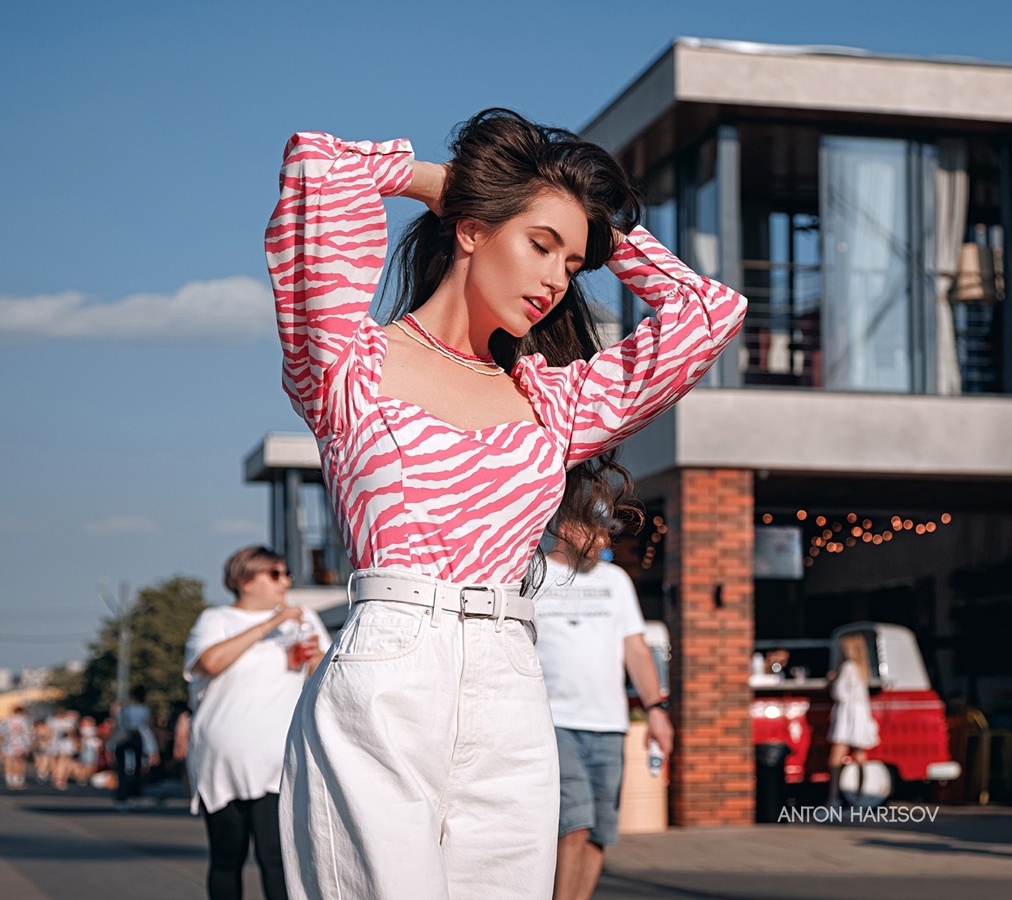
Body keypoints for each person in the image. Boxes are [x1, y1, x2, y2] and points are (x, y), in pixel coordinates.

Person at [269, 108, 745, 900]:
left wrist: (590, 228)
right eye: (540, 245)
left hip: (512, 681)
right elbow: (322, 168)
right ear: (472, 231)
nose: (559, 278)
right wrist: (458, 189)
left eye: (575, 262)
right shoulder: (350, 363)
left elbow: (707, 314)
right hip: (389, 671)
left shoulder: (554, 402)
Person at [533, 511, 673, 900]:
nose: (603, 538)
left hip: (609, 726)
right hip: (552, 721)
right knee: (572, 825)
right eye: (593, 528)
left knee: (598, 833)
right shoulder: (532, 575)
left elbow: (636, 649)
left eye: (606, 530)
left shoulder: (615, 581)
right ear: (564, 526)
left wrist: (657, 710)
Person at [186, 546, 329, 900]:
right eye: (275, 574)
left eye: (286, 573)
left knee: (278, 858)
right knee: (226, 858)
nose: (286, 581)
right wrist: (270, 624)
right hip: (223, 760)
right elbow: (211, 662)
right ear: (245, 580)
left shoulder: (304, 617)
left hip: (279, 758)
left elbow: (325, 676)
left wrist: (315, 657)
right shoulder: (216, 618)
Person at [826, 633, 881, 807]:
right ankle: (860, 796)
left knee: (835, 759)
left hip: (847, 717)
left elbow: (839, 693)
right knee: (860, 758)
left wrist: (832, 681)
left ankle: (833, 798)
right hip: (861, 716)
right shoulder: (862, 668)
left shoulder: (847, 667)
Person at [113, 687, 159, 809]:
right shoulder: (144, 709)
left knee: (122, 768)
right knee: (137, 768)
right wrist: (152, 749)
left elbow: (118, 725)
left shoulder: (123, 708)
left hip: (123, 738)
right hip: (137, 737)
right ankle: (135, 794)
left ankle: (122, 795)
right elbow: (146, 727)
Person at [0, 707, 31, 789]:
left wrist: (0, 747)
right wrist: (28, 746)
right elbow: (28, 733)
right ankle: (18, 779)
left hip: (8, 743)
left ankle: (9, 779)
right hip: (20, 743)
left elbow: (1, 734)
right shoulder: (24, 720)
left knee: (9, 761)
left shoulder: (6, 720)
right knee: (19, 761)